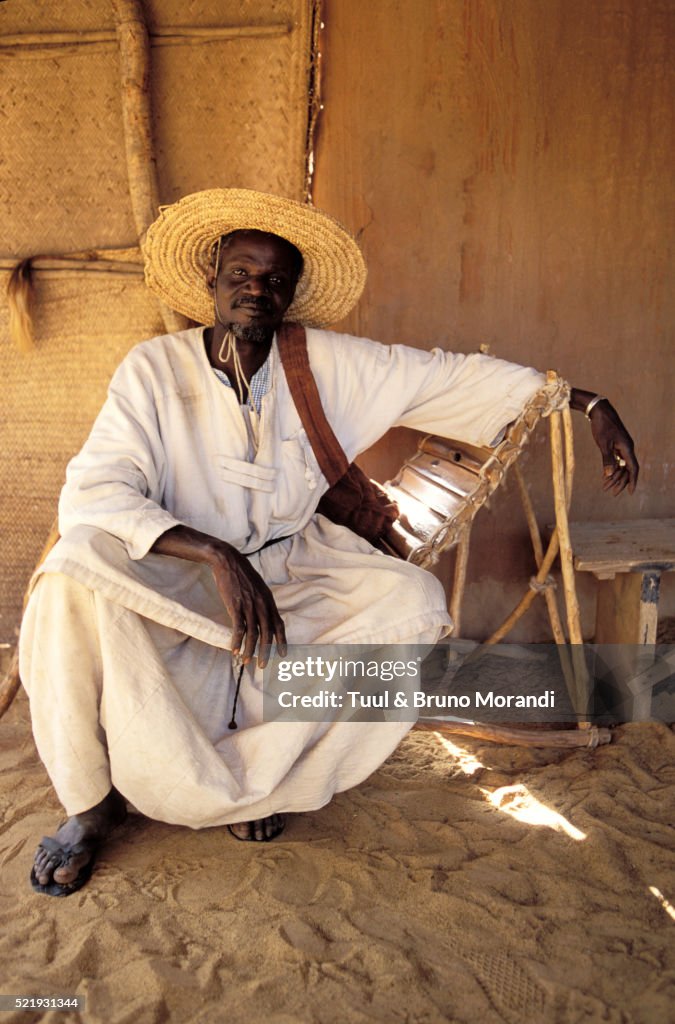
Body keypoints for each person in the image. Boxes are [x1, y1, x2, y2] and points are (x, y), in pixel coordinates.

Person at [19, 188, 638, 896]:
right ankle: (89, 808)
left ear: (290, 294)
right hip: (179, 565)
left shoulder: (329, 364)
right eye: (240, 275)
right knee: (69, 576)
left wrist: (587, 403)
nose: (256, 290)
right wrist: (215, 555)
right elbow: (96, 491)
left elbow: (448, 373)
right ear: (211, 284)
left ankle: (264, 780)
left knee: (409, 604)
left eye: (273, 280)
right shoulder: (152, 370)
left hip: (294, 561)